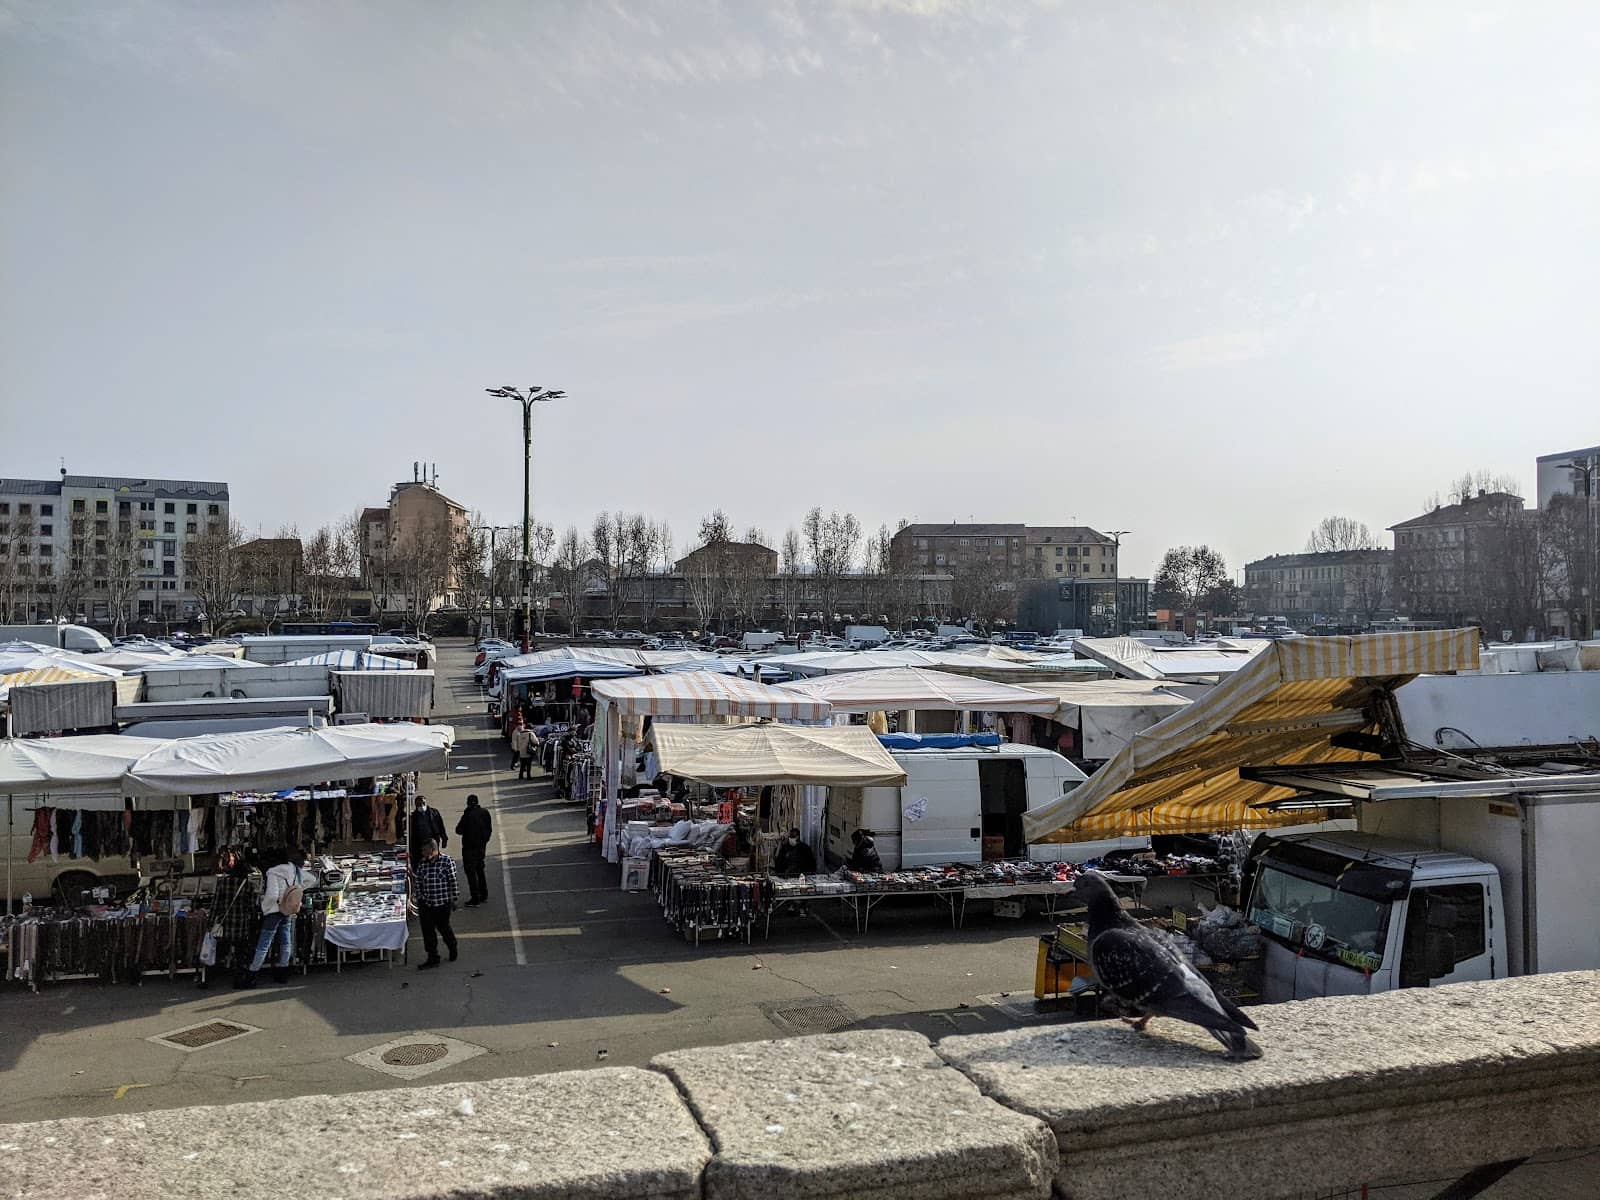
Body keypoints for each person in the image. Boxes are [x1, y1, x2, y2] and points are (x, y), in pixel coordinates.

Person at [238, 848, 305, 988]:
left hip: (274, 911)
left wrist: (265, 907)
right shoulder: (294, 870)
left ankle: (252, 973)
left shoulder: (273, 873)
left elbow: (272, 895)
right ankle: (283, 971)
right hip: (288, 909)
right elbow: (303, 885)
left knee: (264, 943)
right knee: (286, 941)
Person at [412, 838, 459, 969]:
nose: (423, 853)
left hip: (442, 904)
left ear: (434, 850)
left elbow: (453, 881)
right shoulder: (422, 863)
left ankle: (452, 946)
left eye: (425, 850)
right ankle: (433, 957)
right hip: (426, 904)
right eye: (422, 851)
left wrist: (454, 898)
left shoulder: (447, 861)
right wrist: (420, 898)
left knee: (444, 928)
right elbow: (418, 882)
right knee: (428, 932)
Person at [454, 794, 493, 907]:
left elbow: (459, 830)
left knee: (471, 873)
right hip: (481, 847)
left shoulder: (467, 815)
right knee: (480, 870)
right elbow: (489, 829)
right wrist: (484, 841)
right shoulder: (485, 813)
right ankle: (484, 894)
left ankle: (475, 897)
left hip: (469, 848)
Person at [408, 794, 446, 866]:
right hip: (419, 844)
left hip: (433, 841)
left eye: (423, 803)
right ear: (416, 805)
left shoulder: (434, 812)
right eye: (419, 804)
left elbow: (441, 826)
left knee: (434, 859)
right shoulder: (413, 817)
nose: (422, 805)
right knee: (421, 861)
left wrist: (444, 838)